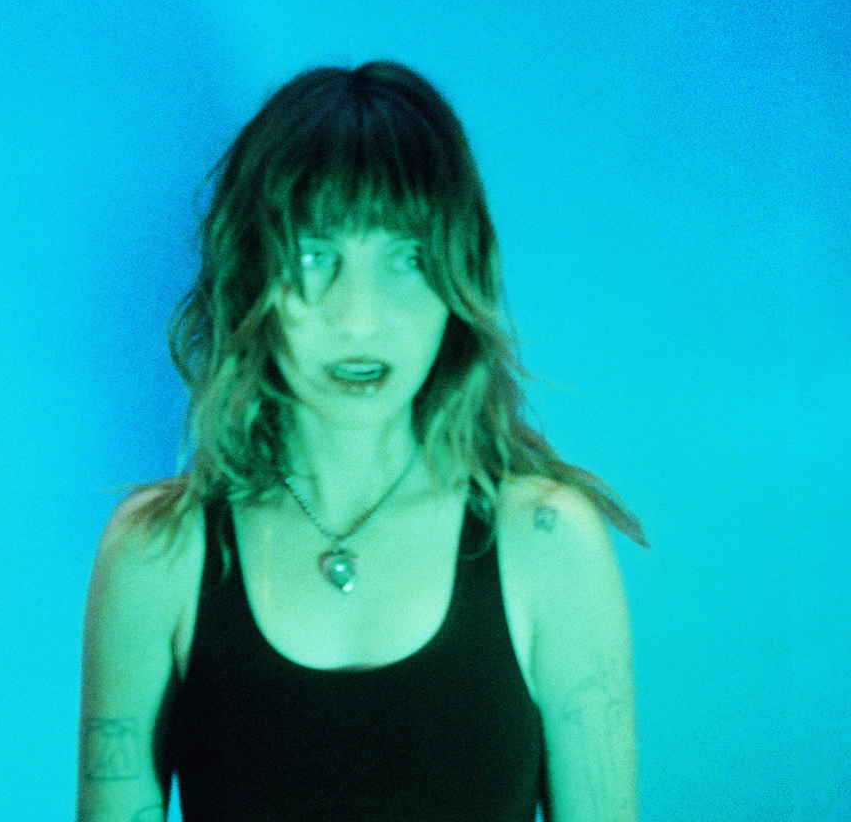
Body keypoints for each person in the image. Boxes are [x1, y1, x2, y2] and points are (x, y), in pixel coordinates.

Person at [77, 61, 647, 822]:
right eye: (314, 257)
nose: (360, 318)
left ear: (460, 275)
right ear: (250, 276)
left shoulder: (547, 542)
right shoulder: (156, 555)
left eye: (409, 258)